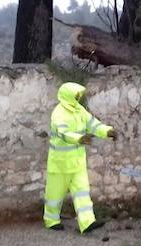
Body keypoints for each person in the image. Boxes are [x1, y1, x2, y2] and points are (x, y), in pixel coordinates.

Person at [44, 82, 118, 233]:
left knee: (82, 192)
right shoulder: (58, 113)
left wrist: (107, 131)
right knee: (55, 194)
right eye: (77, 95)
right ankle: (51, 220)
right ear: (69, 96)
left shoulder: (80, 110)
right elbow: (63, 133)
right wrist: (79, 139)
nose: (79, 97)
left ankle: (87, 222)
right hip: (60, 163)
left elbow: (93, 125)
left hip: (77, 162)